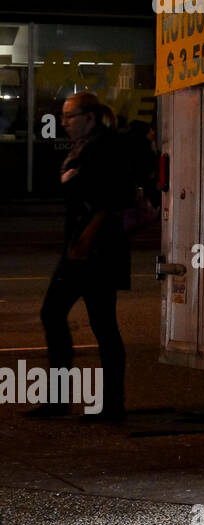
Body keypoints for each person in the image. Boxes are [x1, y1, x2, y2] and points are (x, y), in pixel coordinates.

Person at [27, 92, 132, 421]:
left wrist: (87, 237)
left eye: (69, 116)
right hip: (78, 248)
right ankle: (62, 399)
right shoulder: (80, 149)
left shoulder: (108, 147)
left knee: (100, 324)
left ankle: (111, 403)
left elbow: (113, 198)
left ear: (90, 117)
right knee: (57, 315)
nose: (64, 122)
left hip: (98, 250)